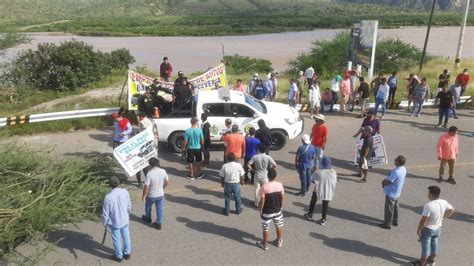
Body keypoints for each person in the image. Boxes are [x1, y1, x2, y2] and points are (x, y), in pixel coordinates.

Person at [412, 186, 455, 266]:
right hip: (438, 228)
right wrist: (443, 217)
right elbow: (452, 209)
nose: (427, 194)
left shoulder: (429, 205)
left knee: (425, 247)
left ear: (431, 194)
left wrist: (419, 229)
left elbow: (423, 220)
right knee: (434, 243)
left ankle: (422, 263)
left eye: (428, 192)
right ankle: (431, 260)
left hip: (428, 229)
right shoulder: (443, 202)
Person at [102, 176, 132, 262]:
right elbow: (129, 205)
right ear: (118, 182)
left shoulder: (108, 197)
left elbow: (105, 213)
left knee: (116, 239)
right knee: (126, 236)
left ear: (110, 185)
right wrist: (128, 211)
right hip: (125, 219)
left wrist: (105, 222)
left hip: (115, 222)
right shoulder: (125, 192)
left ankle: (119, 256)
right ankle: (127, 253)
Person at [256, 168, 284, 251]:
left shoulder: (264, 187)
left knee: (266, 228)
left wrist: (260, 210)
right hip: (277, 210)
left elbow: (262, 200)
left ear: (268, 176)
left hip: (267, 211)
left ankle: (265, 244)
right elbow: (282, 197)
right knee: (278, 225)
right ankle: (279, 241)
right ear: (275, 176)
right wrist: (281, 207)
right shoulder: (280, 185)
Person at [304, 156, 337, 226]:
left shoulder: (319, 173)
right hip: (328, 191)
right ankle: (323, 219)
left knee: (313, 200)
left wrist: (315, 171)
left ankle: (310, 214)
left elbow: (312, 179)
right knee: (325, 204)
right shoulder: (333, 172)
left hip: (319, 190)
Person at [379, 155, 407, 229]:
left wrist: (383, 182)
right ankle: (395, 221)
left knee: (389, 209)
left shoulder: (396, 172)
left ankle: (387, 223)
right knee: (395, 207)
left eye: (396, 159)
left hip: (391, 192)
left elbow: (389, 181)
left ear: (398, 162)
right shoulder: (403, 169)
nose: (394, 160)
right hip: (397, 192)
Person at [141, 158, 169, 230]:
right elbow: (167, 182)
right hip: (160, 194)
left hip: (151, 195)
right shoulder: (163, 171)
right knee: (159, 209)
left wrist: (144, 196)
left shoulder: (149, 174)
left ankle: (148, 218)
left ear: (150, 165)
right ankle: (159, 223)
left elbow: (146, 186)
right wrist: (163, 187)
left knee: (148, 207)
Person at [136, 113, 159, 187]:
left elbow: (142, 135)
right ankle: (156, 172)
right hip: (154, 140)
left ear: (141, 116)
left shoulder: (142, 123)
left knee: (144, 163)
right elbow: (156, 129)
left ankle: (142, 182)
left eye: (139, 117)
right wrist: (157, 136)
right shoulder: (152, 120)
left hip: (146, 143)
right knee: (154, 156)